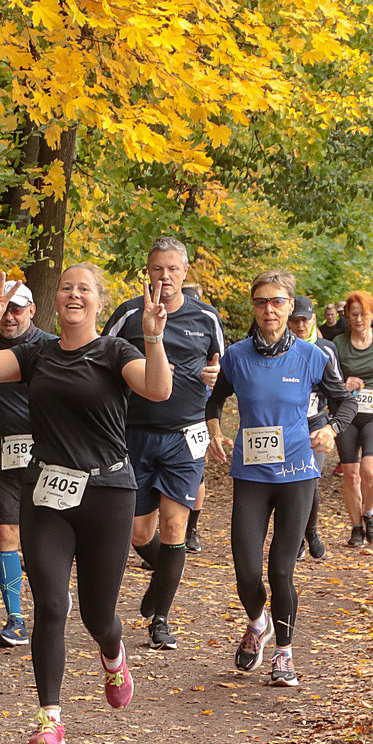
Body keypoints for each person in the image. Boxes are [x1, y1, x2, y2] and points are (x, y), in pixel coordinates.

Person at [0, 265, 172, 744]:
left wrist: (154, 338)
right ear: (54, 300)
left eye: (84, 289)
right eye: (66, 288)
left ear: (98, 302)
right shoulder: (37, 353)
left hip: (107, 494)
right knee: (52, 607)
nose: (73, 295)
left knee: (98, 616)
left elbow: (158, 390)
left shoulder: (114, 352)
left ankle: (113, 652)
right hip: (47, 493)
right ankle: (49, 719)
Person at [206, 272, 355, 686]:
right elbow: (215, 399)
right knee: (245, 569)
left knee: (280, 570)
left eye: (276, 302)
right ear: (253, 308)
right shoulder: (235, 356)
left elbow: (344, 401)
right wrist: (215, 431)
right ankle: (258, 624)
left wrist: (331, 430)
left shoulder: (313, 356)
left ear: (291, 306)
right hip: (251, 474)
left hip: (297, 474)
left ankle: (284, 655)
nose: (268, 310)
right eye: (260, 303)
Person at [103, 237, 225, 651]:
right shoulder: (128, 314)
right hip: (133, 432)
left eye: (173, 269)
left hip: (184, 435)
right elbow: (101, 360)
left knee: (175, 527)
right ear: (148, 270)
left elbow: (220, 366)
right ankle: (163, 577)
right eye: (158, 268)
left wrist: (214, 377)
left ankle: (161, 619)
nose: (165, 276)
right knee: (140, 533)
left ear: (185, 272)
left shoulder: (207, 317)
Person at [0, 280, 55, 647]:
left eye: (17, 308)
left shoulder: (51, 346)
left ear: (32, 310)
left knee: (44, 537)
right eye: (5, 309)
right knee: (6, 534)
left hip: (49, 455)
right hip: (1, 451)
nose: (10, 316)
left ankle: (51, 602)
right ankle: (15, 619)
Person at [333, 290, 373, 547]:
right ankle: (356, 527)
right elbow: (328, 374)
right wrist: (343, 383)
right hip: (346, 414)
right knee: (351, 474)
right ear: (348, 317)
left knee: (369, 471)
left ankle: (369, 513)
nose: (359, 319)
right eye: (354, 315)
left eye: (364, 314)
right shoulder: (338, 344)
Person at [286, 295, 344, 560]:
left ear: (314, 321)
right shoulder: (279, 348)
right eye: (295, 320)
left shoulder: (326, 349)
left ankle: (310, 533)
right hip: (285, 425)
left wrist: (331, 424)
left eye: (305, 320)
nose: (300, 325)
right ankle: (296, 537)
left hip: (316, 421)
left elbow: (338, 389)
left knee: (309, 479)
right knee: (287, 481)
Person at [180, 282, 208, 554]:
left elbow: (220, 364)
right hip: (152, 416)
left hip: (197, 414)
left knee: (197, 475)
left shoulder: (206, 319)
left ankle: (191, 529)